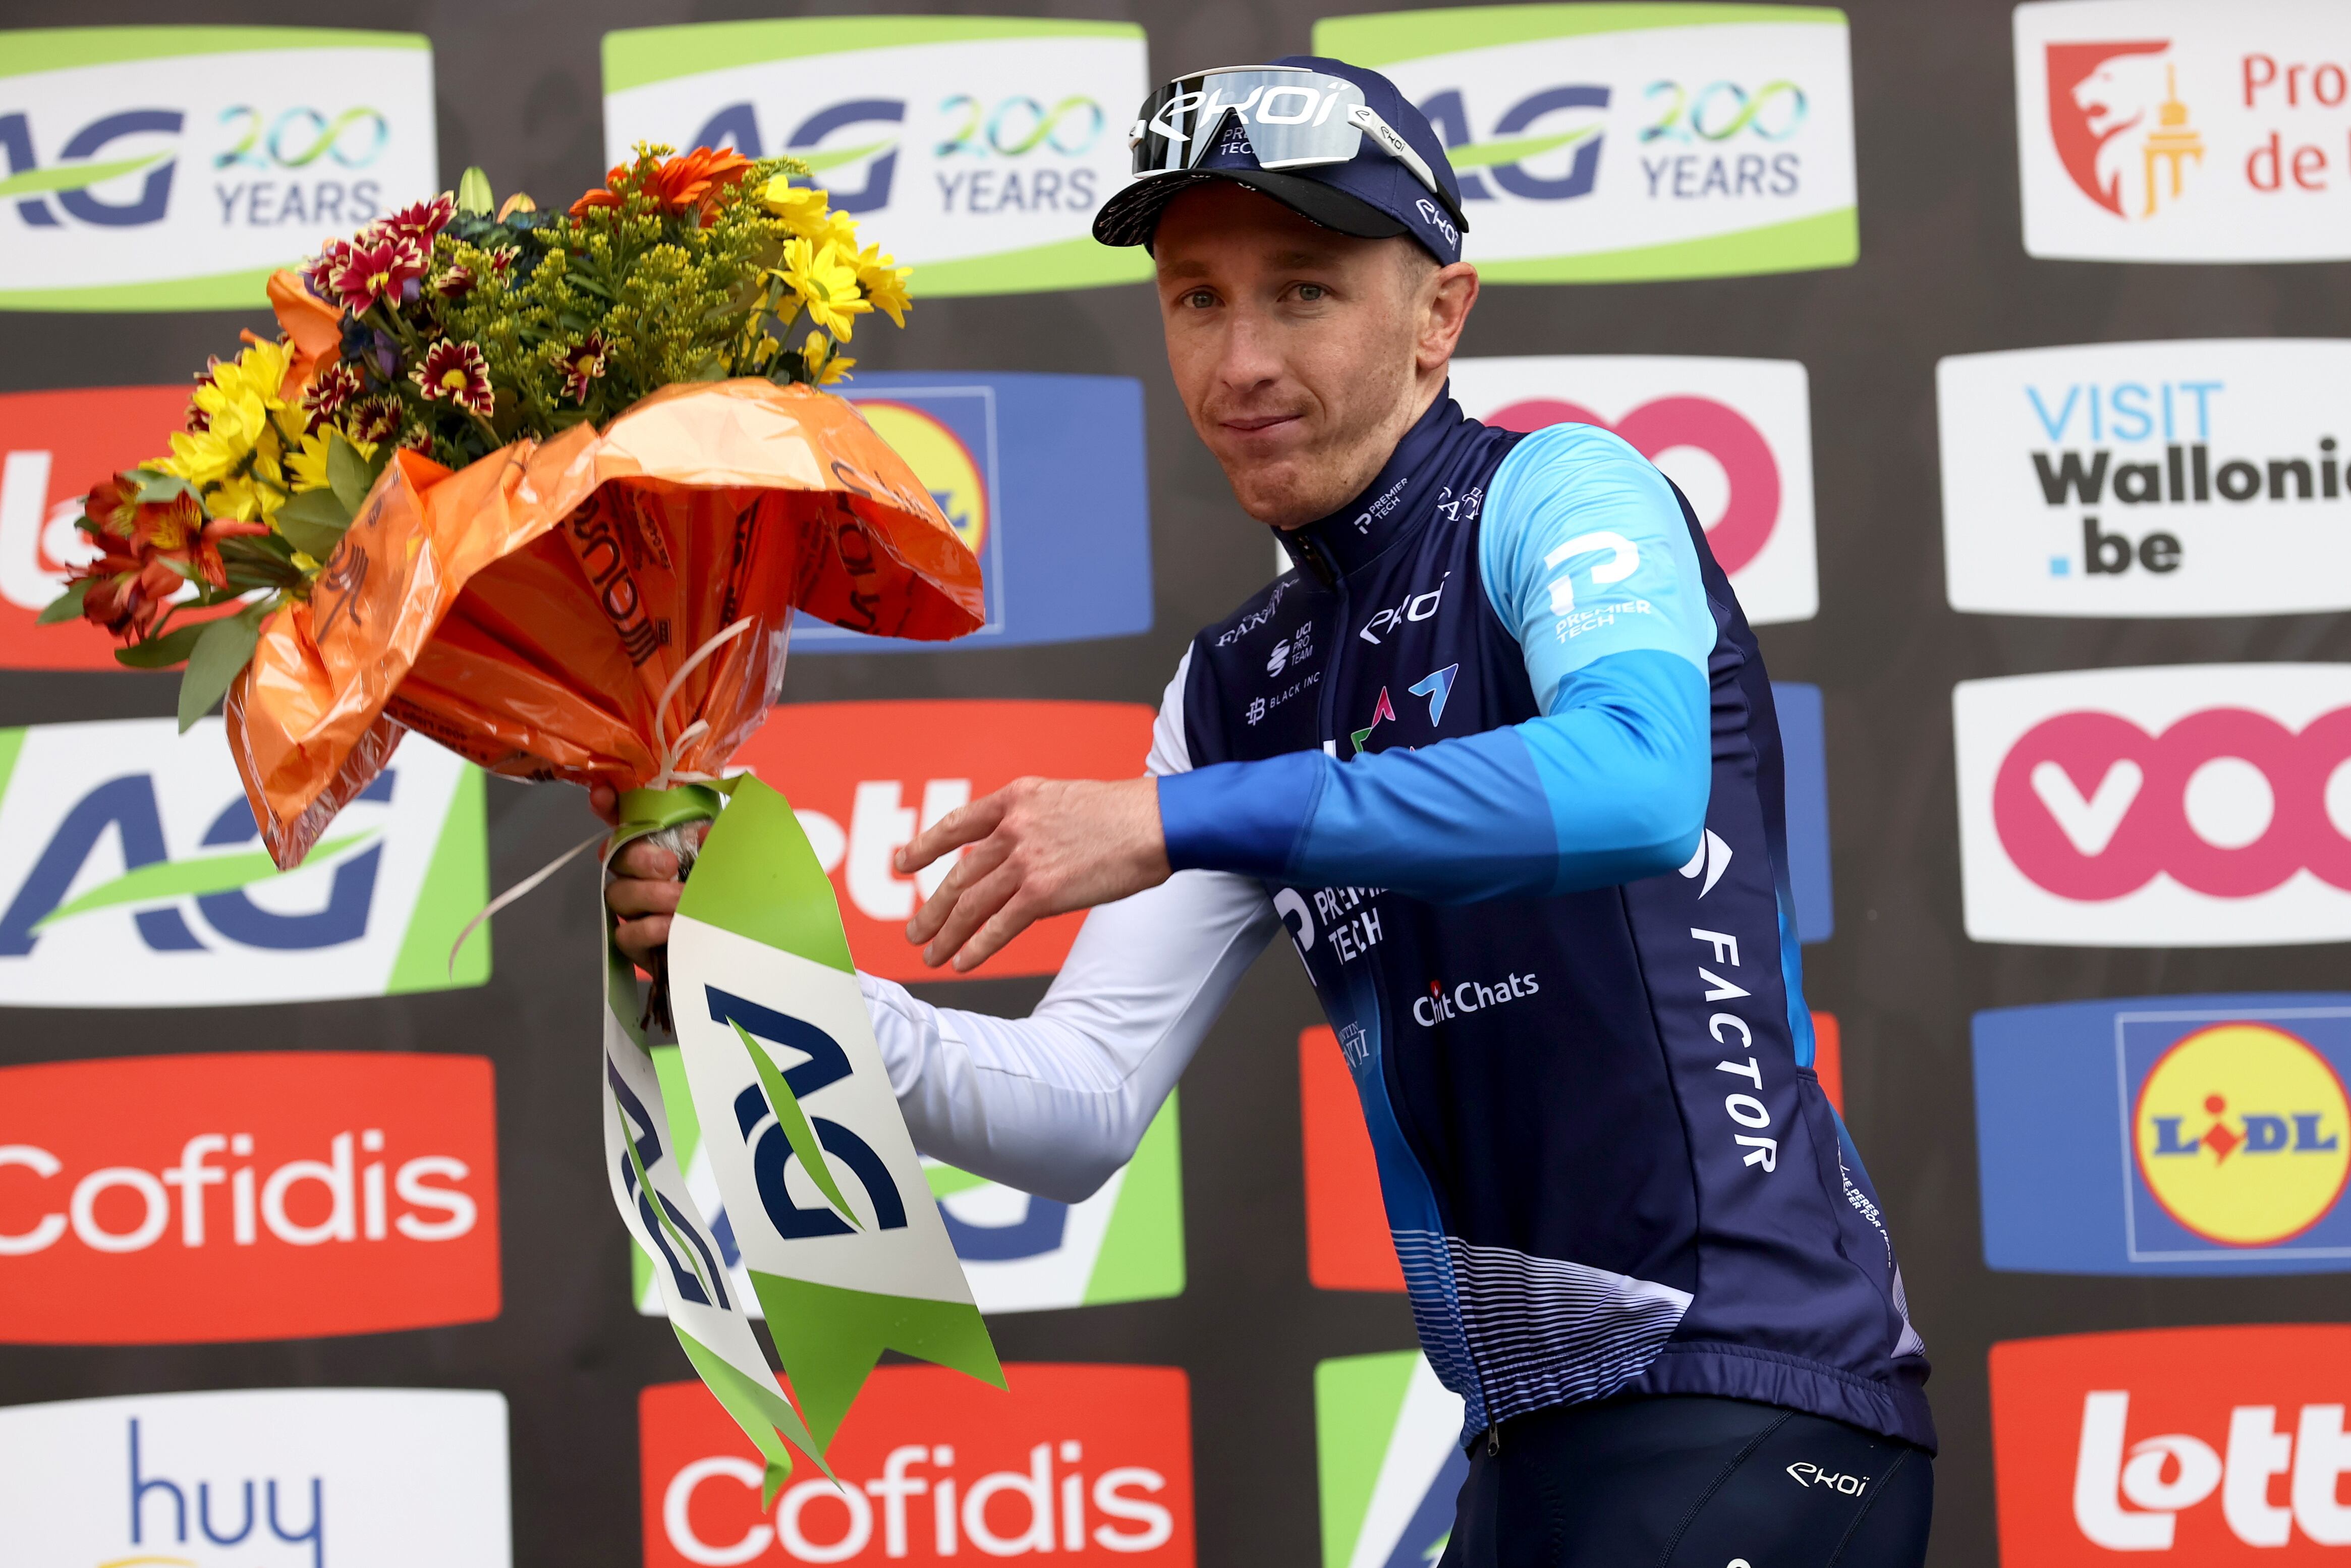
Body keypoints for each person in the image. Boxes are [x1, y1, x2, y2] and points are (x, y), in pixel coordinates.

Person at [602, 57, 1934, 1566]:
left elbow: (1631, 782)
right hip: (1526, 1437)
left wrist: (1181, 820)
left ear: (1440, 312)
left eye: (1301, 292)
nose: (1238, 362)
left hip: (1751, 1387)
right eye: (1195, 298)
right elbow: (1075, 1102)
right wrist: (780, 997)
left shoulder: (1562, 494)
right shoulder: (1233, 684)